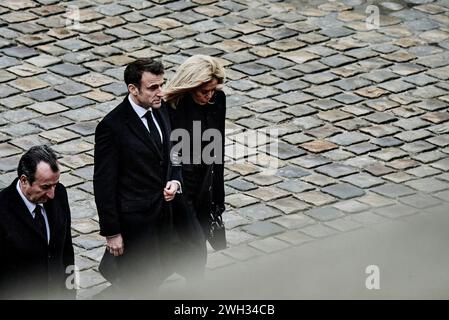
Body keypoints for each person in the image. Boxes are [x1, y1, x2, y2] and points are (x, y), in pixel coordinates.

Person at [93, 58, 182, 298]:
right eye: (153, 87)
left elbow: (172, 149)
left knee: (154, 278)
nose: (160, 92)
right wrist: (111, 232)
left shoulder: (160, 109)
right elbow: (103, 183)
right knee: (133, 284)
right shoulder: (112, 127)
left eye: (161, 85)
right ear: (133, 89)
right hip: (134, 223)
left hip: (161, 216)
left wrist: (175, 179)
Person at [163, 55, 227, 281]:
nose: (209, 96)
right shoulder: (169, 108)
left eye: (212, 90)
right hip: (180, 186)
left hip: (203, 185)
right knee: (195, 248)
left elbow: (217, 148)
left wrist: (218, 197)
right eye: (204, 91)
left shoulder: (217, 100)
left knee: (186, 248)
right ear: (190, 86)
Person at [0, 145, 75, 300]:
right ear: (24, 180)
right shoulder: (3, 209)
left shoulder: (60, 194)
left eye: (55, 184)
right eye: (46, 187)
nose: (52, 194)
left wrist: (70, 292)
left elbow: (67, 251)